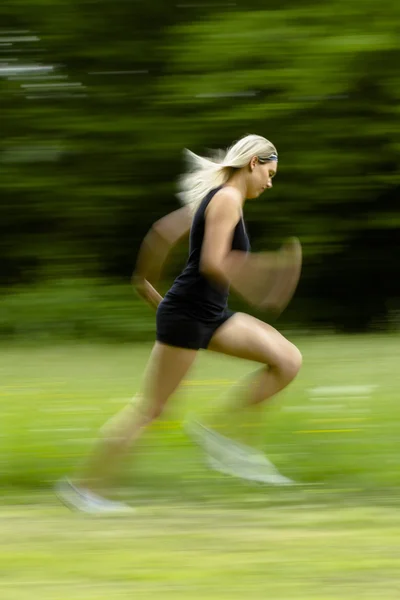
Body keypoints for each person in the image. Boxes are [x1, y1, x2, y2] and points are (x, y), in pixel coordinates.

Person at [56, 134, 302, 513]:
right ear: (253, 163)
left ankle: (219, 434)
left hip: (206, 313)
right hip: (190, 316)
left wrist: (146, 284)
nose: (270, 182)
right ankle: (85, 489)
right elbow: (212, 262)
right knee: (151, 409)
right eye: (270, 173)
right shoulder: (225, 200)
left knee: (287, 360)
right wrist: (264, 274)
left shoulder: (219, 197)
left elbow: (162, 232)